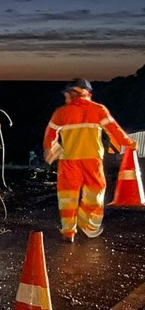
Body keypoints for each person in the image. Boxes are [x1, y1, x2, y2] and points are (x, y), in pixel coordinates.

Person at [43, 78, 137, 242]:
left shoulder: (61, 112)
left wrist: (52, 151)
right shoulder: (98, 110)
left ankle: (68, 232)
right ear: (87, 93)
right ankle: (87, 225)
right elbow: (114, 130)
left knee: (67, 198)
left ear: (74, 93)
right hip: (92, 160)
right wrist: (129, 143)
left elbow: (50, 136)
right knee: (95, 194)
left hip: (68, 161)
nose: (66, 96)